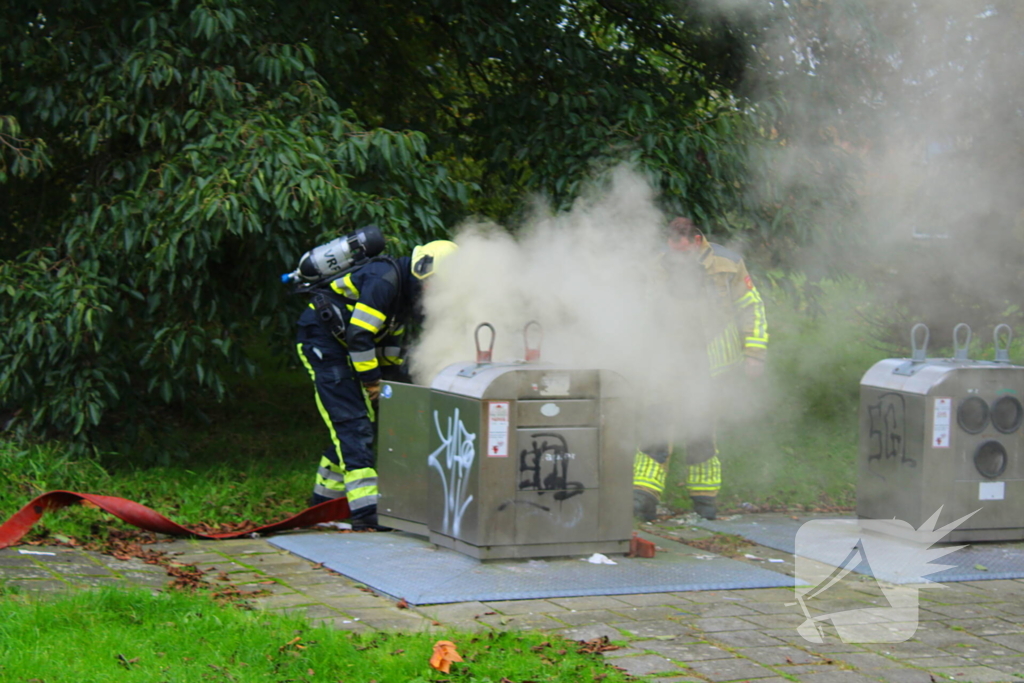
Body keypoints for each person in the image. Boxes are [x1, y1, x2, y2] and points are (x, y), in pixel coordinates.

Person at [296, 238, 459, 530]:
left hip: (345, 345)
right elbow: (360, 334)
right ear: (424, 269)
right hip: (323, 342)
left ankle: (322, 504)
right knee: (352, 422)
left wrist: (396, 385)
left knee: (360, 426)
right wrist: (373, 383)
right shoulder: (385, 281)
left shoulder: (405, 295)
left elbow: (387, 341)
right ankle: (366, 512)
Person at [633, 216, 768, 521]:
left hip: (711, 360)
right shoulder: (656, 263)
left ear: (695, 241)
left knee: (701, 429)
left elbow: (751, 307)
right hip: (665, 357)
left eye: (681, 251)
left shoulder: (728, 263)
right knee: (656, 421)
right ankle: (643, 497)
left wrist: (755, 353)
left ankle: (704, 502)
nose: (676, 257)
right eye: (671, 251)